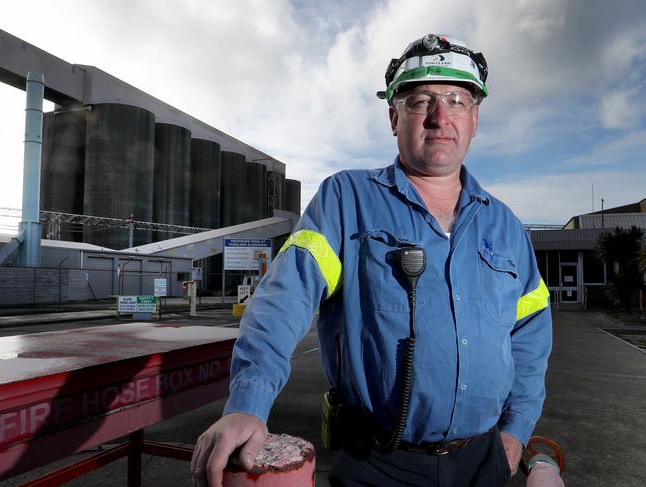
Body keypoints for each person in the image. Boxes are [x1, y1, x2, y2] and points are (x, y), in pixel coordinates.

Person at [191, 33, 552, 487]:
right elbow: (285, 296)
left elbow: (531, 336)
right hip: (377, 464)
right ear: (393, 115)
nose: (441, 117)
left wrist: (516, 429)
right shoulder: (347, 200)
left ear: (475, 117)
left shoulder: (506, 226)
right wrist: (248, 404)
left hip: (483, 463)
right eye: (421, 100)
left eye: (457, 100)